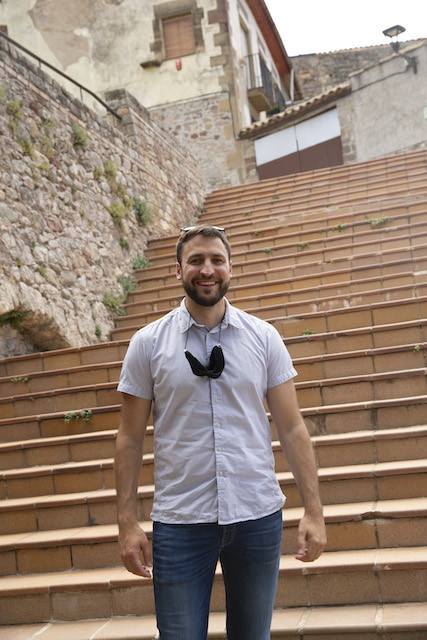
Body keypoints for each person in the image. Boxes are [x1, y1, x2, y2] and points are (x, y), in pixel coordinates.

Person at [115, 225, 326, 640]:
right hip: (181, 520)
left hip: (256, 514)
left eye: (216, 260)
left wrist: (314, 510)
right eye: (196, 260)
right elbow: (129, 437)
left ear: (231, 268)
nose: (207, 270)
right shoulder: (147, 343)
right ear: (179, 270)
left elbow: (292, 426)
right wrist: (126, 522)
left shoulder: (263, 337)